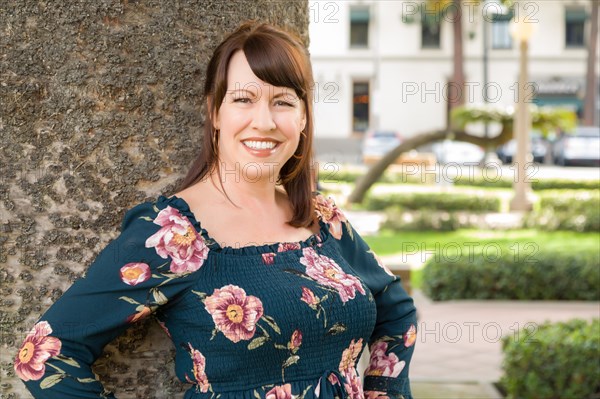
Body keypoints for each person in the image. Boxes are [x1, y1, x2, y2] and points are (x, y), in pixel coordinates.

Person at [14, 21, 417, 399]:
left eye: (282, 102)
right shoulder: (172, 235)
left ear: (304, 116)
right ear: (215, 112)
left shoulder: (321, 219)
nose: (264, 121)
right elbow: (46, 354)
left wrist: (383, 391)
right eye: (243, 99)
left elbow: (397, 313)